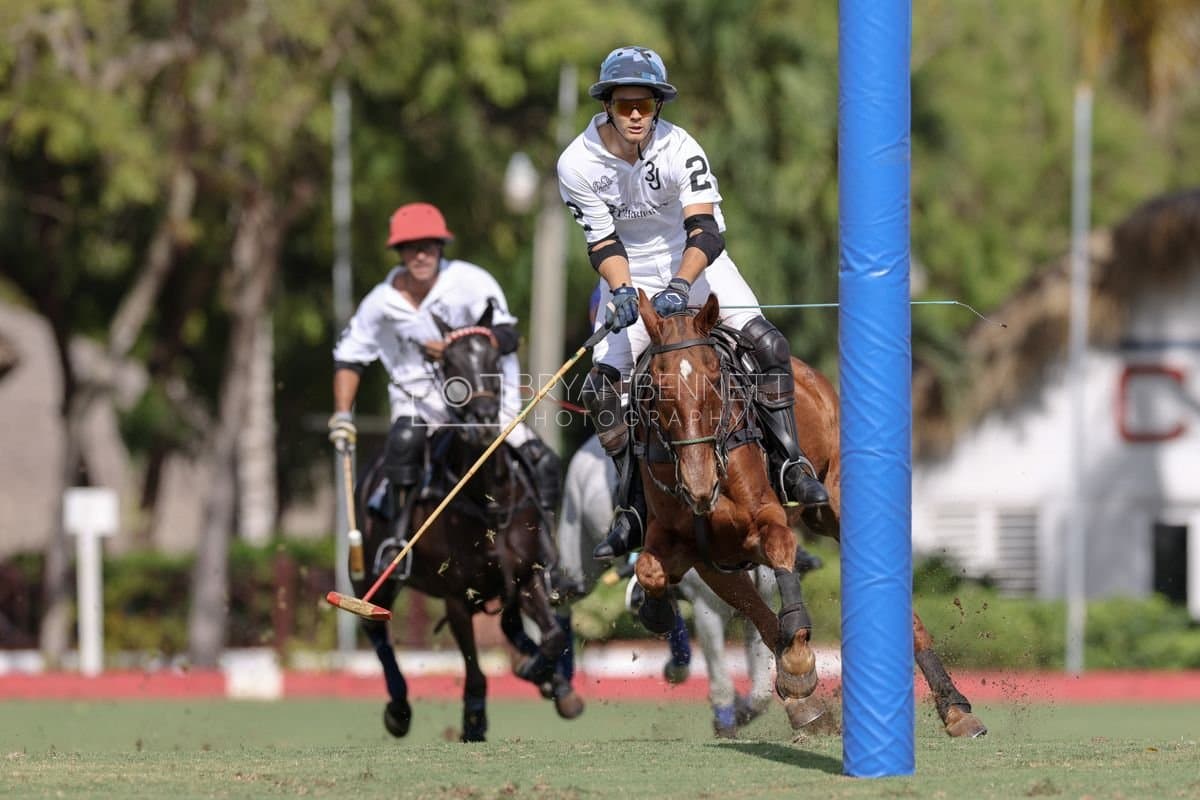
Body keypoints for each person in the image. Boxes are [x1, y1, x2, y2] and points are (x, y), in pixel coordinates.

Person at [556, 46, 829, 560]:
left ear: (657, 106)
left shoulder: (681, 147)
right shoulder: (576, 163)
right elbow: (603, 243)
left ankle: (793, 466)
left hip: (695, 263)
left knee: (770, 347)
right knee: (600, 389)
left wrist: (682, 286)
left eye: (645, 104)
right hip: (630, 272)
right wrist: (619, 291)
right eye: (624, 104)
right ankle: (632, 508)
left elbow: (704, 230)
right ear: (608, 106)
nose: (635, 114)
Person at [327, 201, 561, 532]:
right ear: (400, 253)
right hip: (419, 400)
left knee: (545, 464)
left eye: (427, 247)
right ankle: (394, 538)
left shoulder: (470, 282)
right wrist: (342, 416)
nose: (420, 256)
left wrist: (457, 345)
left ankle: (547, 547)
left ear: (440, 248)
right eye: (410, 249)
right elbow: (349, 356)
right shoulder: (379, 303)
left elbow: (507, 335)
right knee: (404, 441)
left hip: (483, 395)